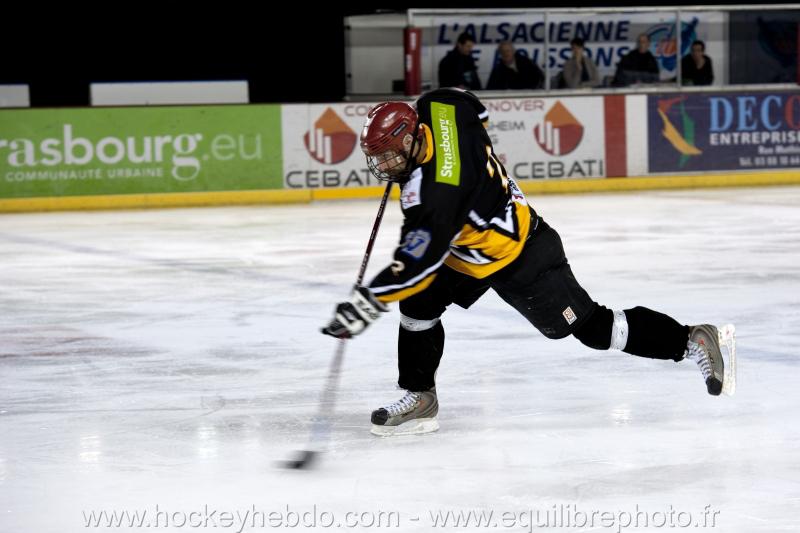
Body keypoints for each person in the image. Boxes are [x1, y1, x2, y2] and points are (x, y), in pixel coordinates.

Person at [321, 88, 735, 436]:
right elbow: (474, 107)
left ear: (411, 137)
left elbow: (413, 263)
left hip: (522, 253)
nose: (385, 166)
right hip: (469, 251)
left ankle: (691, 339)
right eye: (380, 157)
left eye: (391, 156)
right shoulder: (439, 106)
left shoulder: (439, 194)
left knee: (594, 329)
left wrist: (364, 305)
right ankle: (421, 397)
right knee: (418, 304)